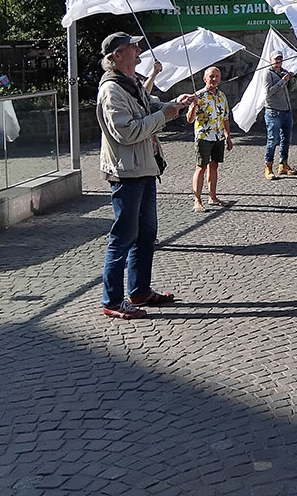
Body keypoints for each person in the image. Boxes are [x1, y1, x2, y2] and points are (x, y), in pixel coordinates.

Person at [96, 32, 194, 320]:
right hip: (126, 172)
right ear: (117, 56)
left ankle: (139, 291)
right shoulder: (112, 89)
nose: (139, 50)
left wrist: (175, 104)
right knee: (123, 237)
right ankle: (112, 301)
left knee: (147, 233)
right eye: (132, 47)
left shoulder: (132, 82)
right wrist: (164, 115)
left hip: (145, 167)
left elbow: (149, 107)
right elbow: (127, 132)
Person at [186, 65, 234, 212]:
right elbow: (189, 119)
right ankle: (197, 200)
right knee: (201, 167)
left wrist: (228, 135)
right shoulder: (198, 95)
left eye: (216, 76)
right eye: (211, 76)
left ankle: (212, 196)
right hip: (203, 136)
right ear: (205, 79)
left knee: (214, 166)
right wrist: (194, 106)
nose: (214, 79)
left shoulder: (222, 96)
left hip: (218, 136)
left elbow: (225, 117)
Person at [262, 51, 297, 179]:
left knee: (286, 139)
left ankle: (283, 164)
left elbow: (291, 88)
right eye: (276, 59)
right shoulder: (268, 73)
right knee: (273, 140)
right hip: (273, 111)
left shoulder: (284, 72)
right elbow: (269, 92)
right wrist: (282, 81)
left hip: (286, 110)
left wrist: (292, 79)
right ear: (271, 60)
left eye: (280, 59)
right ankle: (268, 166)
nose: (278, 61)